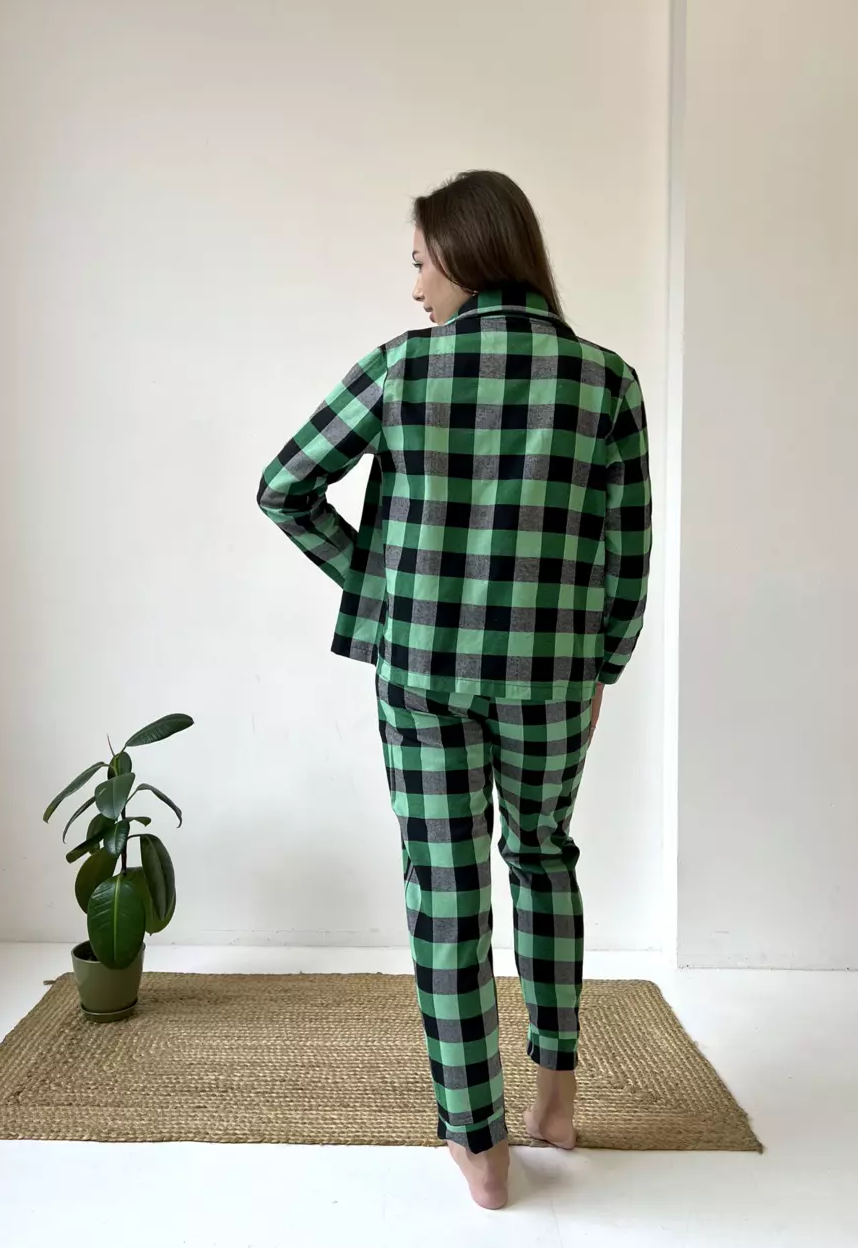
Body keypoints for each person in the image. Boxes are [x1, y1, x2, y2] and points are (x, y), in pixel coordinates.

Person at [258, 170, 651, 1210]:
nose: (415, 287)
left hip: (423, 672)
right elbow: (629, 549)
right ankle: (555, 1099)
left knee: (446, 887)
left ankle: (479, 1147)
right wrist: (603, 663)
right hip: (554, 676)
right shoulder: (606, 380)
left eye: (422, 262)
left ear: (469, 256)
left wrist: (385, 591)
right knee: (543, 856)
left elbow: (284, 486)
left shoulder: (399, 368)